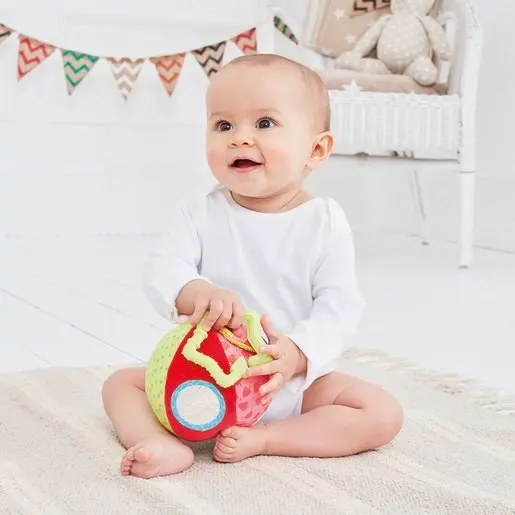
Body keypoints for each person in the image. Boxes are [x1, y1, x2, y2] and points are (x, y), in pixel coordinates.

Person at [102, 53, 404, 479]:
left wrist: (299, 354)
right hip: (203, 379)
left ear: (316, 149)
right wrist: (197, 292)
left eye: (264, 124)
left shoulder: (324, 221)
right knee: (121, 385)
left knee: (381, 413)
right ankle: (160, 442)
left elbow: (340, 305)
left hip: (290, 382)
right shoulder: (200, 213)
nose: (239, 139)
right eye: (223, 125)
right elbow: (163, 268)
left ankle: (268, 439)